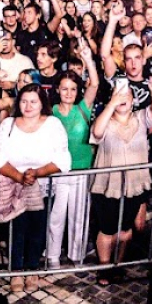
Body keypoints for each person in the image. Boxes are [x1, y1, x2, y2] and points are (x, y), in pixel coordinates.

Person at [0, 83, 71, 293]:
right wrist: (19, 176)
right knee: (16, 230)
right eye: (24, 101)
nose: (28, 106)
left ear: (42, 103)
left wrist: (37, 173)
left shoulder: (53, 124)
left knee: (38, 229)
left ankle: (32, 269)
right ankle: (16, 271)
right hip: (13, 185)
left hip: (43, 186)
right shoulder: (8, 124)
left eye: (33, 101)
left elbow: (62, 158)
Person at [88, 80, 152, 284]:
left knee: (125, 230)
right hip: (107, 185)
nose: (122, 98)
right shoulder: (105, 120)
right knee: (107, 229)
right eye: (118, 94)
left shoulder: (141, 118)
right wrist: (112, 104)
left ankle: (118, 264)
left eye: (126, 95)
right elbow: (97, 133)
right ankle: (104, 268)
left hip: (134, 185)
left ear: (133, 100)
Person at [46, 70, 95, 271]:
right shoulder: (50, 111)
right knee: (56, 216)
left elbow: (94, 85)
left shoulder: (83, 108)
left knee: (79, 215)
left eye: (73, 89)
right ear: (58, 89)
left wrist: (89, 60)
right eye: (64, 88)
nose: (68, 93)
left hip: (82, 169)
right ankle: (52, 255)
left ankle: (77, 254)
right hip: (58, 170)